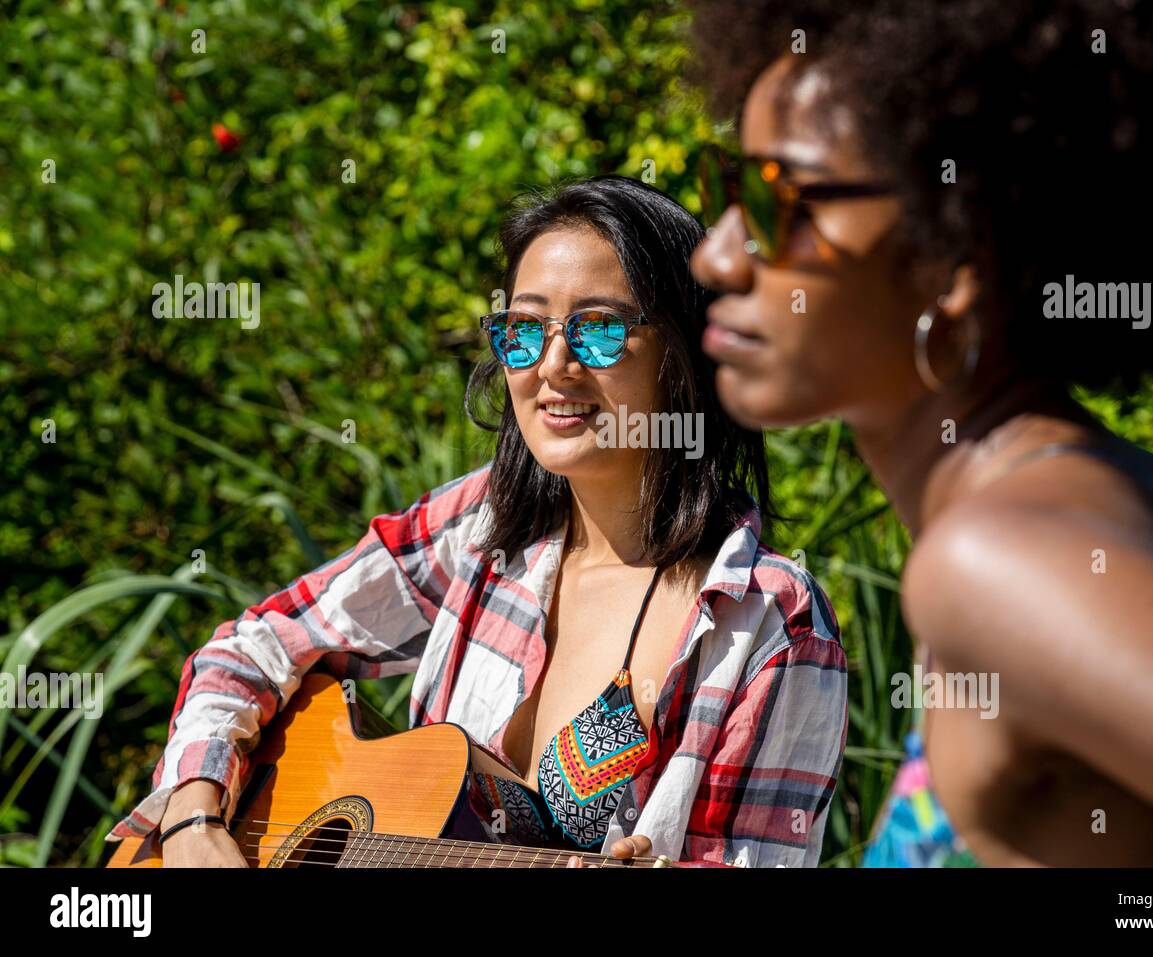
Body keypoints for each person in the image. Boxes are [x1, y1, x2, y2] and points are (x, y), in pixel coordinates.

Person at [686, 0, 1153, 866]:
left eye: (780, 198)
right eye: (724, 185)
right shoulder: (1148, 494)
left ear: (955, 254)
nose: (715, 254)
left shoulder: (994, 559)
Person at [107, 176, 848, 868]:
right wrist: (196, 820)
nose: (552, 365)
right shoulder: (483, 528)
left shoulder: (768, 622)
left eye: (597, 330)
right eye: (523, 331)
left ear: (686, 351)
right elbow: (253, 647)